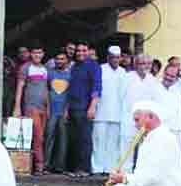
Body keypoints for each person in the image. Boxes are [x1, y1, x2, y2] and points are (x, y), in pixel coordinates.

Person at [13, 42, 49, 175]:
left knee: (41, 137)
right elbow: (20, 87)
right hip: (31, 107)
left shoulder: (45, 69)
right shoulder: (25, 68)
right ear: (30, 54)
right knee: (37, 136)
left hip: (43, 108)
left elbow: (46, 89)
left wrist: (48, 107)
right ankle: (39, 166)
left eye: (39, 53)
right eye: (34, 53)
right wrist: (17, 107)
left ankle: (35, 165)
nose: (37, 55)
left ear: (43, 54)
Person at [67, 40, 101, 177]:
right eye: (78, 51)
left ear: (88, 51)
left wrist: (92, 106)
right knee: (75, 138)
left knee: (85, 139)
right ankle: (76, 169)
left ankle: (84, 169)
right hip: (73, 107)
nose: (80, 53)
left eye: (83, 51)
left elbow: (97, 87)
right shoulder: (74, 66)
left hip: (85, 108)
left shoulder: (93, 66)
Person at [91, 46, 126, 174]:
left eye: (118, 57)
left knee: (113, 143)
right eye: (113, 57)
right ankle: (97, 168)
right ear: (108, 57)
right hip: (100, 112)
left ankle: (110, 168)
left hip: (117, 114)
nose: (115, 60)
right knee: (98, 141)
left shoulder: (123, 72)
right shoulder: (100, 69)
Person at [119, 54, 162, 156]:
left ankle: (140, 171)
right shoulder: (127, 77)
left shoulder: (152, 80)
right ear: (135, 65)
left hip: (146, 120)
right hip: (128, 118)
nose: (146, 66)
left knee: (145, 148)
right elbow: (120, 97)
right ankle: (124, 170)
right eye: (142, 63)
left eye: (148, 64)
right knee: (126, 148)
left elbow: (155, 100)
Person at [44, 48, 72, 174]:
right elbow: (47, 92)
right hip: (52, 110)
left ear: (67, 60)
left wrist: (67, 110)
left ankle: (60, 167)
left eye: (62, 59)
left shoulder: (70, 75)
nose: (59, 61)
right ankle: (46, 165)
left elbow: (71, 94)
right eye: (57, 59)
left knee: (63, 139)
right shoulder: (50, 73)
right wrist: (48, 108)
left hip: (63, 111)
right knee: (49, 137)